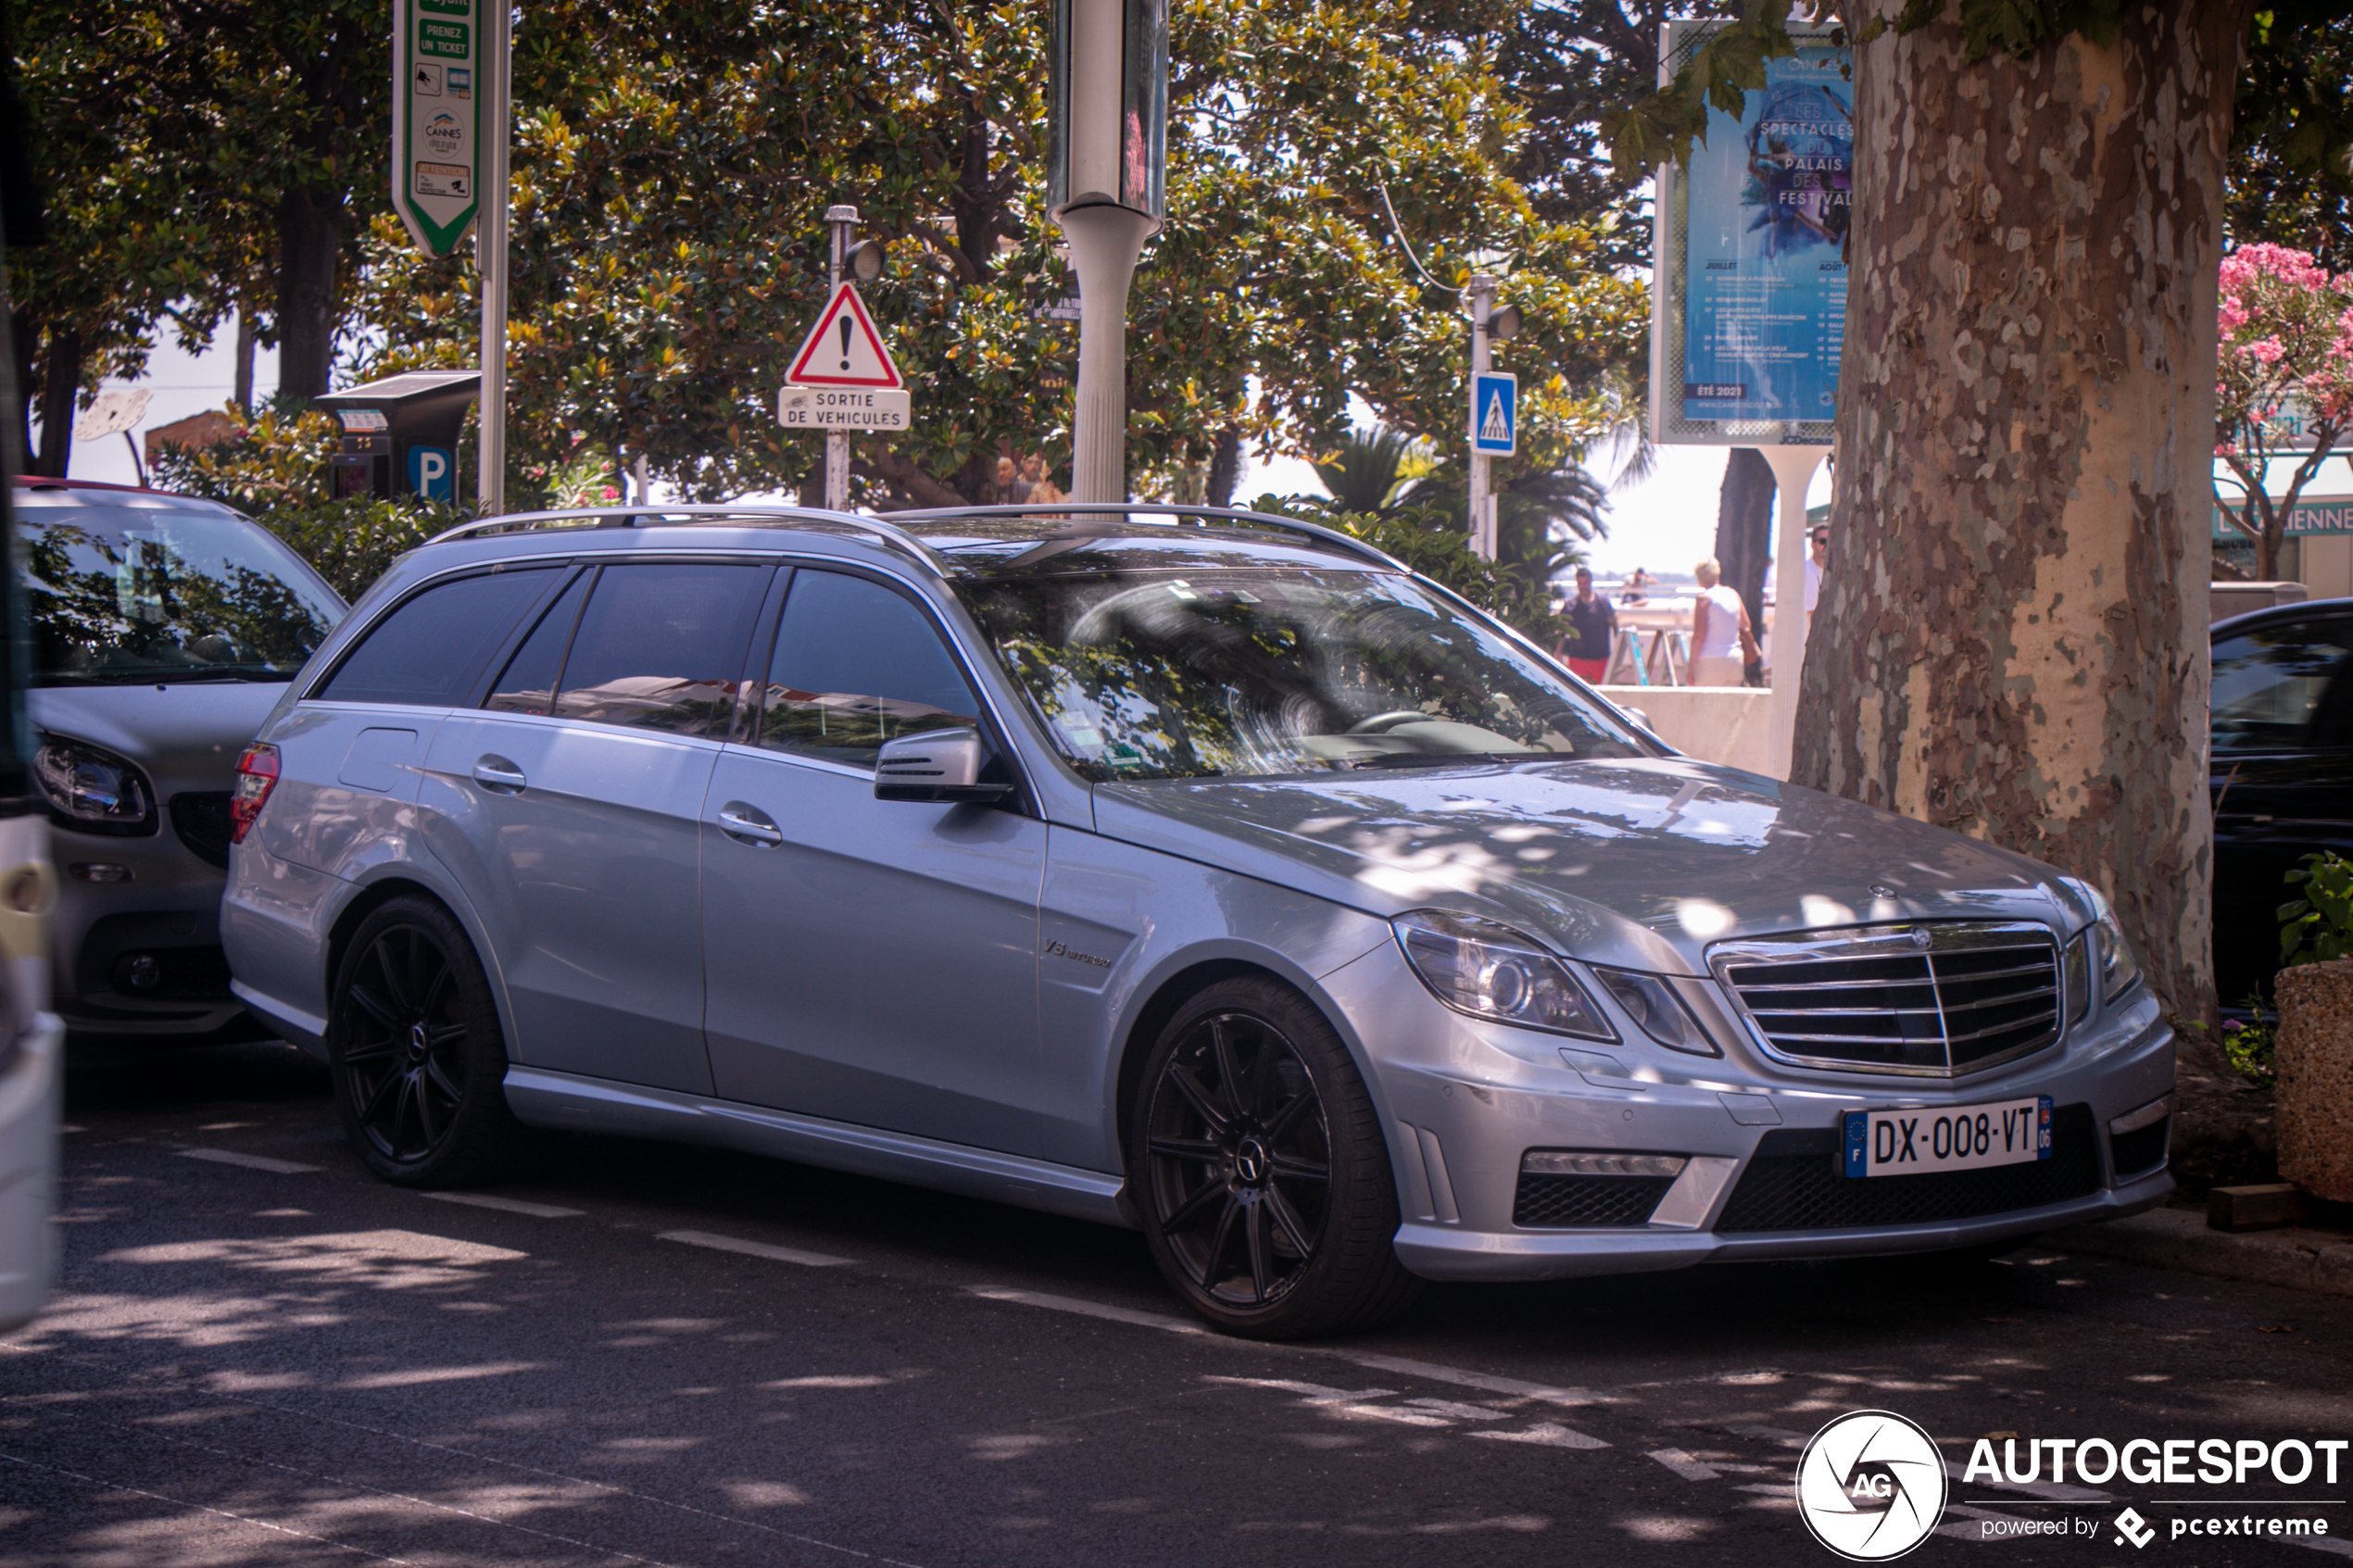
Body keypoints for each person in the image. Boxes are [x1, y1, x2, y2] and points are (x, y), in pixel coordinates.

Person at [1689, 558, 1756, 687]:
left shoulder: (1704, 598)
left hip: (1710, 661)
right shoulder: (1733, 594)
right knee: (1730, 706)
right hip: (1735, 660)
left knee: (1705, 705)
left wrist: (1691, 666)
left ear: (1699, 578)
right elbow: (1745, 625)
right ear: (1717, 574)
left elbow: (1699, 635)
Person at [1554, 567, 1617, 683]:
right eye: (1580, 583)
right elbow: (1560, 632)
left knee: (1600, 696)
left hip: (1601, 660)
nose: (1583, 586)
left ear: (1591, 582)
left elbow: (1615, 626)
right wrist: (1559, 656)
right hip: (1577, 661)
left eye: (1586, 583)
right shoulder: (1570, 606)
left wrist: (1616, 658)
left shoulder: (1603, 603)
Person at [1804, 523, 1828, 621]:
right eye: (1823, 541)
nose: (1827, 545)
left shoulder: (1833, 572)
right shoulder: (1806, 571)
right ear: (1812, 545)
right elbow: (1815, 612)